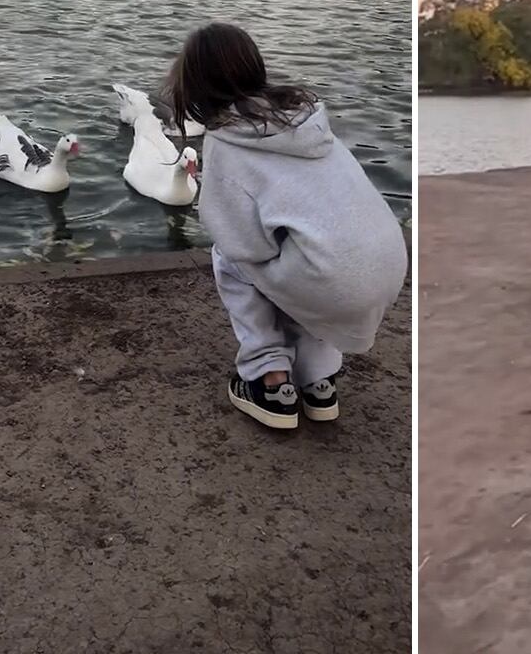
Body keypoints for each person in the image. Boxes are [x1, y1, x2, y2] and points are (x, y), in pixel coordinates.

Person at [164, 23, 408, 431]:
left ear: (196, 83)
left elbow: (245, 246)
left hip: (338, 283)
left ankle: (269, 381)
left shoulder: (227, 141)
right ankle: (319, 380)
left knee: (234, 256)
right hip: (387, 266)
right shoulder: (307, 120)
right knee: (304, 251)